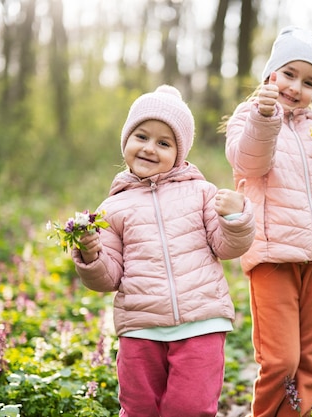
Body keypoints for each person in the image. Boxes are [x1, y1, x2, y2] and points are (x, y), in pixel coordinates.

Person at [71, 85, 255, 417]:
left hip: (201, 322)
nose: (150, 148)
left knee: (191, 407)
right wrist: (90, 255)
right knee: (140, 407)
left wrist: (235, 217)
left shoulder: (201, 192)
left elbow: (226, 246)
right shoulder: (112, 208)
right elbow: (108, 277)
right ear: (126, 140)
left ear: (180, 153)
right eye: (141, 136)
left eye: (164, 143)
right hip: (140, 327)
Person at [223, 26, 312, 417]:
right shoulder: (248, 118)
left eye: (309, 81)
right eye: (289, 74)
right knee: (280, 361)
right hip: (274, 253)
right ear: (269, 74)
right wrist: (265, 118)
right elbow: (248, 163)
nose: (297, 87)